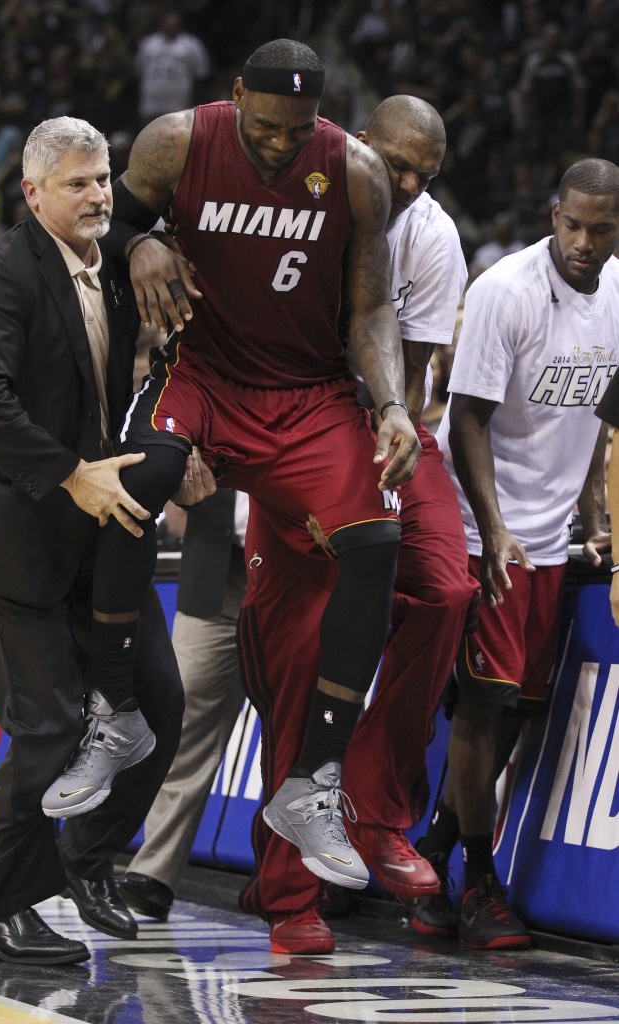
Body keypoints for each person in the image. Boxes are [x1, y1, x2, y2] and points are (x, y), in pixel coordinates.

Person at [46, 40, 421, 902]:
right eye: (265, 126)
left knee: (376, 542)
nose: (282, 145)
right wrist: (139, 244)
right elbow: (114, 223)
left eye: (297, 131)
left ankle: (313, 781)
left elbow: (368, 307)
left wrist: (393, 403)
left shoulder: (355, 173)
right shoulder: (177, 140)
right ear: (236, 94)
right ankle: (114, 713)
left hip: (307, 391)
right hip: (205, 376)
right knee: (137, 481)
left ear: (320, 117)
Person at [0, 116, 201, 965]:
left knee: (155, 705)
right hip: (17, 537)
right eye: (80, 183)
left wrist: (180, 446)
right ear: (33, 192)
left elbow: (154, 373)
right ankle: (9, 909)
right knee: (50, 729)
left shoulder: (119, 271)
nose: (97, 195)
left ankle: (83, 861)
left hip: (101, 536)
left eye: (103, 179)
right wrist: (70, 474)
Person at [237, 95, 477, 953]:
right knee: (303, 655)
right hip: (287, 434)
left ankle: (375, 812)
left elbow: (410, 375)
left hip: (384, 429)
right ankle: (291, 896)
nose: (410, 184)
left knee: (447, 586)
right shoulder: (286, 200)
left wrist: (393, 441)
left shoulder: (434, 235)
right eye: (397, 164)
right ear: (357, 144)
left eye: (426, 173)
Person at [413, 157, 619, 950]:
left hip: (552, 538)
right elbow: (464, 418)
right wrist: (495, 529)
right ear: (552, 214)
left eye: (602, 229)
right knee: (486, 704)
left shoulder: (616, 294)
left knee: (519, 711)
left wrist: (594, 512)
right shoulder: (505, 290)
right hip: (481, 530)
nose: (584, 241)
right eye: (573, 224)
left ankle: (433, 852)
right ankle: (478, 883)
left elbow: (603, 414)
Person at [119, 488, 248, 920]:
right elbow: (175, 514)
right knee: (183, 715)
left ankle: (305, 885)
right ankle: (153, 873)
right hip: (218, 562)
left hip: (300, 561)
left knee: (301, 725)